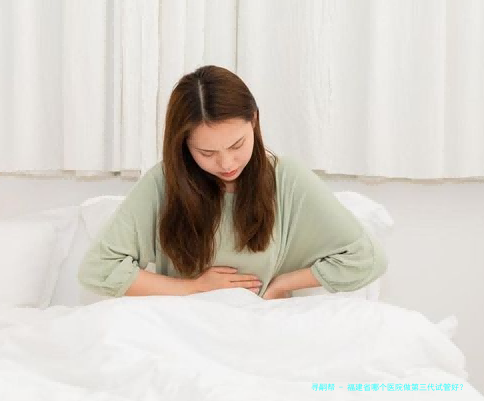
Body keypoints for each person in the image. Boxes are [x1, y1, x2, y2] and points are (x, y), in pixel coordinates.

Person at [78, 65, 387, 300]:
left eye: (237, 145)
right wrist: (193, 287)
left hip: (259, 325)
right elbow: (99, 269)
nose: (226, 164)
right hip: (182, 327)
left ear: (254, 120)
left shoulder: (286, 179)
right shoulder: (163, 183)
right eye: (207, 153)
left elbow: (366, 258)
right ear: (183, 145)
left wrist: (283, 283)